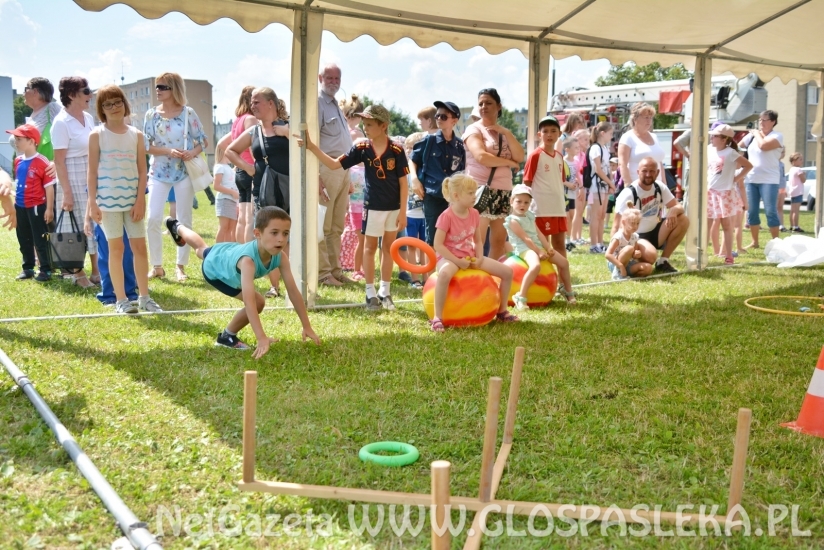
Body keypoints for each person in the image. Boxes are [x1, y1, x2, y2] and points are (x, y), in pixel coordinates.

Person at [165, 207, 320, 358]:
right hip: (215, 271)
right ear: (257, 234)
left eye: (285, 233)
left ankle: (177, 227)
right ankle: (226, 337)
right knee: (258, 302)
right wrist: (261, 338)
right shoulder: (248, 262)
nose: (281, 239)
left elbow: (293, 291)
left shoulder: (281, 257)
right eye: (274, 233)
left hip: (225, 252)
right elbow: (249, 302)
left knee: (202, 249)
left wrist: (307, 326)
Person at [297, 104, 408, 311]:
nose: (365, 129)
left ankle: (385, 291)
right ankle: (370, 293)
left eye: (370, 124)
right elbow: (333, 164)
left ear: (383, 126)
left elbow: (403, 182)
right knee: (369, 247)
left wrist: (402, 212)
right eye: (364, 124)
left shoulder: (397, 149)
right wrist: (312, 146)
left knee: (388, 249)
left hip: (393, 208)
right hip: (372, 207)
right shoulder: (361, 148)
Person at [87, 84, 162, 314]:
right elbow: (91, 172)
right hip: (107, 203)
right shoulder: (96, 135)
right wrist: (92, 202)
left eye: (117, 102)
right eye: (108, 104)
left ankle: (144, 297)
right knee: (115, 249)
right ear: (101, 109)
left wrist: (140, 200)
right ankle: (120, 300)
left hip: (132, 202)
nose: (114, 107)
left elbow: (142, 171)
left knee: (139, 247)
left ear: (124, 104)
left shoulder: (136, 135)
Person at [430, 173, 518, 332]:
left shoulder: (475, 213)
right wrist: (457, 262)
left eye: (474, 192)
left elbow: (478, 241)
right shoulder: (446, 216)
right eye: (470, 193)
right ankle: (437, 318)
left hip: (470, 257)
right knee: (444, 275)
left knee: (507, 272)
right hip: (449, 258)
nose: (474, 196)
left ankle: (502, 311)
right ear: (456, 196)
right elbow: (438, 245)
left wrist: (478, 258)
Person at [226, 87, 290, 298]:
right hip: (263, 192)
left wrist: (287, 132)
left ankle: (292, 283)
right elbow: (230, 151)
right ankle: (274, 286)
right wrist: (248, 168)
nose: (252, 106)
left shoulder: (287, 126)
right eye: (252, 102)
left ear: (270, 103)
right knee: (269, 239)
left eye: (257, 102)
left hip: (290, 191)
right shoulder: (253, 131)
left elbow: (307, 145)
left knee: (288, 238)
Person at [144, 72, 207, 282]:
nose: (158, 91)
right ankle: (157, 266)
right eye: (157, 87)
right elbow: (146, 146)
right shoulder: (151, 115)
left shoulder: (188, 113)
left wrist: (192, 152)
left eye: (162, 87)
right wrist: (167, 151)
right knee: (152, 218)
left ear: (174, 89)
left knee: (184, 219)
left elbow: (203, 140)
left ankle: (180, 266)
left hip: (183, 173)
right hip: (159, 173)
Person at [463, 88, 524, 260]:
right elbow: (481, 156)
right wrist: (509, 162)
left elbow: (519, 156)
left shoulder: (504, 132)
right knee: (477, 241)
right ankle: (475, 280)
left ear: (499, 106)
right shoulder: (473, 129)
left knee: (498, 241)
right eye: (480, 103)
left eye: (488, 103)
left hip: (503, 191)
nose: (483, 107)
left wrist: (506, 132)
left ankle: (491, 277)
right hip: (480, 190)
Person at [52, 76, 99, 287]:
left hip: (90, 173)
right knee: (75, 225)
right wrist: (67, 193)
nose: (90, 94)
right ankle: (79, 274)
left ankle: (97, 271)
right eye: (86, 90)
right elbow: (59, 162)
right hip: (71, 175)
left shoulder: (88, 118)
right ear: (71, 95)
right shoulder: (61, 122)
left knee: (95, 221)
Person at [613, 157, 689, 273]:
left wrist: (673, 211)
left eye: (652, 171)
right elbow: (616, 225)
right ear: (638, 172)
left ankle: (663, 261)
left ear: (657, 172)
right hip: (637, 236)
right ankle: (634, 260)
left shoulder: (659, 187)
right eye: (644, 171)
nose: (648, 174)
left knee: (683, 220)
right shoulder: (628, 193)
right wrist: (615, 254)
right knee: (651, 256)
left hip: (656, 231)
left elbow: (679, 206)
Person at [504, 184, 575, 307]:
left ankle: (568, 291)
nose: (522, 205)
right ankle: (521, 296)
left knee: (564, 263)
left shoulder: (530, 216)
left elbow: (539, 233)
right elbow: (525, 238)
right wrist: (538, 251)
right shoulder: (513, 220)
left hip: (538, 246)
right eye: (519, 201)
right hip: (524, 248)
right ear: (511, 201)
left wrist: (548, 247)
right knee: (535, 266)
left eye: (526, 202)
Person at [316, 63, 355, 286]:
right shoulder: (318, 103)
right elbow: (311, 142)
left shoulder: (335, 105)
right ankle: (323, 274)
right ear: (321, 78)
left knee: (337, 225)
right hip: (327, 169)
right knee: (323, 224)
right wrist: (317, 177)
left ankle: (335, 270)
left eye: (336, 78)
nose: (333, 82)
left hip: (342, 170)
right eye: (329, 78)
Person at [410, 100, 466, 249]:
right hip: (433, 196)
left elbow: (461, 172)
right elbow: (412, 160)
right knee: (433, 237)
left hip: (453, 198)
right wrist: (414, 179)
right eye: (437, 116)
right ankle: (433, 271)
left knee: (452, 236)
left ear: (454, 120)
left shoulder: (459, 146)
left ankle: (447, 268)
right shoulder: (430, 140)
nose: (439, 119)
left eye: (444, 117)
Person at [7, 124, 55, 281]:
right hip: (20, 206)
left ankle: (46, 269)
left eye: (19, 139)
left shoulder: (42, 161)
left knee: (40, 238)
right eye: (15, 139)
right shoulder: (18, 160)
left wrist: (49, 209)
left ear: (31, 141)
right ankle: (28, 268)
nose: (16, 142)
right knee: (24, 238)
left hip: (36, 207)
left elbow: (49, 188)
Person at [522, 115, 568, 259]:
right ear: (539, 134)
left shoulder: (560, 156)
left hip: (558, 208)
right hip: (541, 210)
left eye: (553, 131)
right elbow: (527, 182)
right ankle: (544, 279)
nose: (549, 134)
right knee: (543, 246)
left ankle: (562, 278)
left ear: (559, 134)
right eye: (545, 131)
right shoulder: (535, 155)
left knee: (560, 244)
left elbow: (559, 181)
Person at [706, 124, 752, 265]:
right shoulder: (709, 150)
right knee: (707, 224)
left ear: (724, 139)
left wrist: (736, 179)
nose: (711, 138)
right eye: (712, 135)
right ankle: (701, 253)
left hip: (725, 192)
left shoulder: (730, 153)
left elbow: (748, 166)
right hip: (710, 191)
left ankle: (728, 255)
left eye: (715, 136)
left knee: (727, 225)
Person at [738, 110, 783, 248]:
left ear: (773, 121)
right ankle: (755, 242)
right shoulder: (751, 137)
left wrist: (756, 133)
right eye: (760, 120)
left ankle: (776, 242)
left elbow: (763, 146)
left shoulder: (777, 136)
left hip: (769, 179)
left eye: (764, 120)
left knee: (770, 210)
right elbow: (738, 146)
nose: (761, 123)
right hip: (751, 178)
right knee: (752, 211)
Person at [339, 94, 366, 278]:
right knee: (354, 231)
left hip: (349, 181)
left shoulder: (344, 131)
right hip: (356, 186)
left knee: (348, 227)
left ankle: (346, 261)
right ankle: (350, 262)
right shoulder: (356, 134)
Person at [227, 86, 258, 243]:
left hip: (240, 170)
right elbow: (253, 146)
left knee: (243, 217)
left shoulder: (237, 120)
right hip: (250, 168)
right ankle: (248, 251)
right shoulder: (251, 119)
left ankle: (239, 249)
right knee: (250, 218)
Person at [618, 102, 665, 187]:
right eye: (646, 117)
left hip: (657, 187)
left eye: (650, 118)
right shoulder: (627, 137)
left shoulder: (654, 137)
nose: (649, 121)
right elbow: (622, 164)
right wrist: (629, 186)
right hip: (637, 187)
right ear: (635, 119)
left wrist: (664, 185)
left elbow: (660, 164)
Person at [586, 121, 616, 253]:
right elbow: (598, 169)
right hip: (595, 186)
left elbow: (607, 168)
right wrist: (610, 182)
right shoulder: (595, 148)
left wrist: (610, 182)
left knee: (602, 215)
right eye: (610, 134)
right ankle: (593, 245)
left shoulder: (604, 149)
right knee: (596, 215)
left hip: (603, 186)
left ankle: (600, 243)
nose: (611, 136)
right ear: (602, 133)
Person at [604, 201, 653, 280]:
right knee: (629, 248)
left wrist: (637, 254)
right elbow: (608, 255)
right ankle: (617, 273)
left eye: (637, 223)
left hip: (629, 263)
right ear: (624, 222)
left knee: (649, 268)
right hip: (615, 264)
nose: (635, 226)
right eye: (632, 223)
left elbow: (634, 253)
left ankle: (627, 274)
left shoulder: (635, 237)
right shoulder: (618, 237)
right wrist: (620, 265)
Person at [22, 77, 62, 160]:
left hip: (46, 169)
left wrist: (56, 163)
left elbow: (68, 133)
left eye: (26, 89)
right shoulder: (33, 115)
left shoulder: (52, 108)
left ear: (35, 92)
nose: (23, 93)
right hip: (32, 169)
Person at [212, 143, 239, 243]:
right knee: (224, 227)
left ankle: (226, 249)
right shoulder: (219, 167)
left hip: (231, 200)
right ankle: (218, 249)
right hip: (224, 200)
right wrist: (232, 192)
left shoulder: (227, 167)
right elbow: (216, 186)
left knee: (230, 228)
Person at [570, 128, 590, 243]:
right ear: (578, 140)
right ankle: (573, 237)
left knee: (580, 211)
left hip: (582, 185)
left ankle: (578, 235)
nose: (587, 142)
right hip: (577, 186)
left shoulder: (583, 154)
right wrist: (580, 186)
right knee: (577, 212)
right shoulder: (577, 155)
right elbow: (577, 172)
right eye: (585, 139)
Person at [561, 137, 580, 250]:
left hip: (573, 193)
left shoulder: (576, 162)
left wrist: (579, 185)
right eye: (575, 148)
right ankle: (564, 241)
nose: (578, 149)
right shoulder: (563, 161)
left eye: (578, 147)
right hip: (565, 193)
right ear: (567, 149)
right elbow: (560, 178)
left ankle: (569, 240)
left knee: (572, 216)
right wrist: (568, 184)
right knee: (566, 217)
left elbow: (577, 176)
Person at [787, 152, 806, 233]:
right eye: (800, 159)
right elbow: (803, 180)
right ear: (794, 161)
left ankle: (792, 225)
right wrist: (805, 175)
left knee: (792, 210)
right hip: (798, 191)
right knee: (796, 210)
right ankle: (796, 226)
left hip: (792, 191)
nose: (802, 161)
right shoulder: (798, 170)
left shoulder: (791, 169)